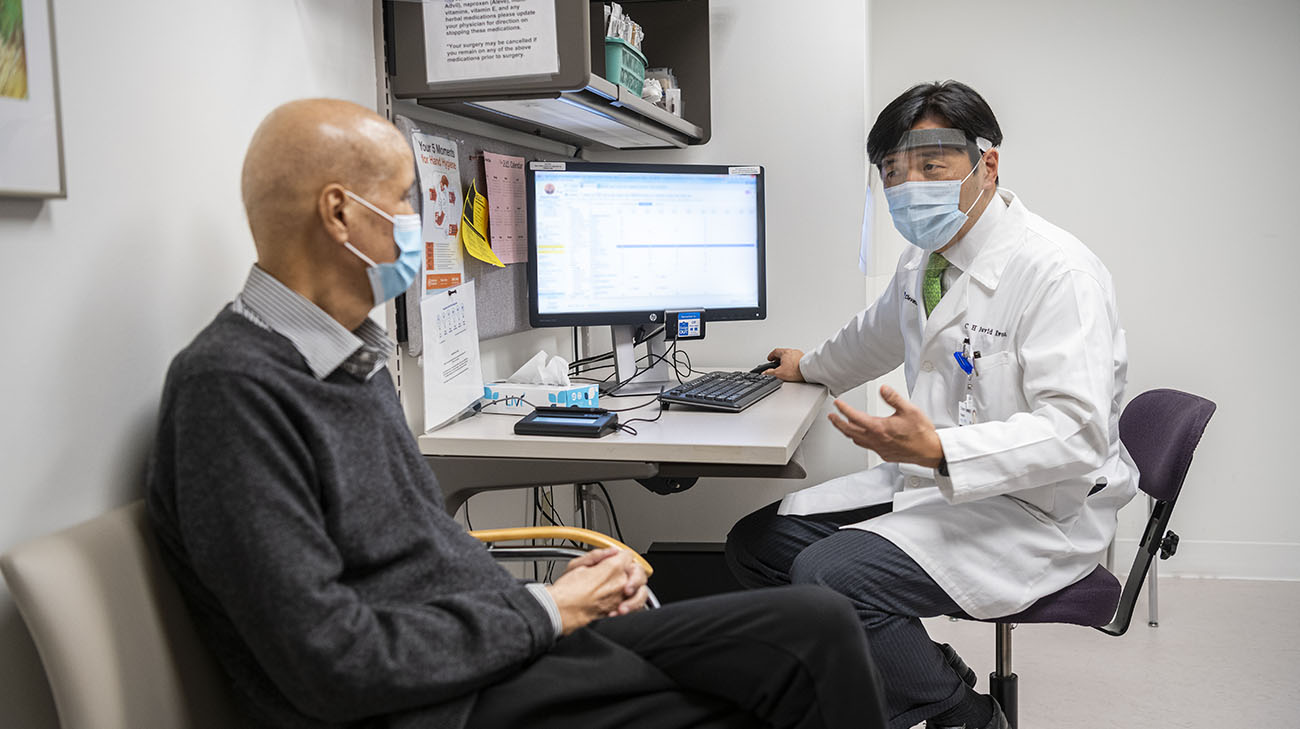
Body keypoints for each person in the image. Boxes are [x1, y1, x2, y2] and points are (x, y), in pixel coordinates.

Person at [145, 98, 887, 729]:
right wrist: (547, 609)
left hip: (489, 652)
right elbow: (329, 661)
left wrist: (568, 591)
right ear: (340, 213)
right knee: (773, 688)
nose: (418, 221)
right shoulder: (232, 388)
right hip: (431, 705)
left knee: (816, 624)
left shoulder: (347, 358)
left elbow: (425, 547)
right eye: (405, 199)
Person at [725, 81, 1138, 729]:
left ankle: (961, 712)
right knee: (759, 543)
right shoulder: (926, 259)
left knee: (827, 573)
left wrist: (942, 449)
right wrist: (808, 366)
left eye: (931, 164)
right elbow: (875, 335)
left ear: (987, 163)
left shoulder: (1058, 273)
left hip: (1040, 509)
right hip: (945, 483)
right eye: (893, 170)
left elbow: (1077, 435)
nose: (908, 184)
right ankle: (875, 681)